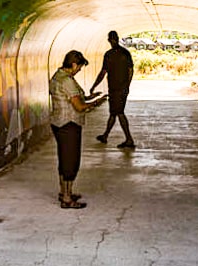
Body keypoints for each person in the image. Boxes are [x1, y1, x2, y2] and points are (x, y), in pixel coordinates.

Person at [50, 50, 107, 209]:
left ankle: (64, 192)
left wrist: (91, 97)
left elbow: (74, 98)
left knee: (63, 159)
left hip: (58, 122)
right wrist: (96, 103)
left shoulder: (57, 76)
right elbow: (79, 106)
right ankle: (67, 199)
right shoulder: (67, 81)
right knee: (71, 161)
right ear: (74, 64)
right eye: (79, 67)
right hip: (69, 124)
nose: (79, 70)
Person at [90, 31, 135, 148]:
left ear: (109, 40)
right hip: (120, 89)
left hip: (116, 89)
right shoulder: (125, 53)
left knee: (119, 113)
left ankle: (129, 139)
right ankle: (105, 136)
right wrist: (127, 86)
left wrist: (94, 86)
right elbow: (130, 71)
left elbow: (103, 72)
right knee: (113, 113)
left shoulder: (109, 54)